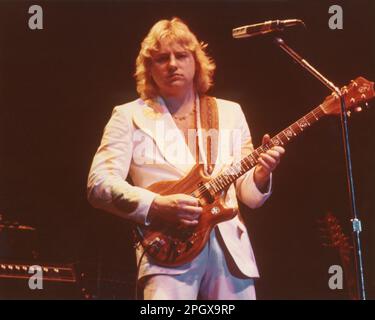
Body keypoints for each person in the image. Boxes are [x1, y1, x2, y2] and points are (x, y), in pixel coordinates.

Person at [87, 17, 285, 300]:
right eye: (161, 58)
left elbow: (249, 195)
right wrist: (156, 205)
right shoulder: (128, 115)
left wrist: (262, 175)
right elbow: (99, 184)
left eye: (181, 55)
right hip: (169, 251)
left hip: (230, 252)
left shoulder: (231, 113)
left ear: (196, 61)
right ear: (148, 68)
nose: (172, 64)